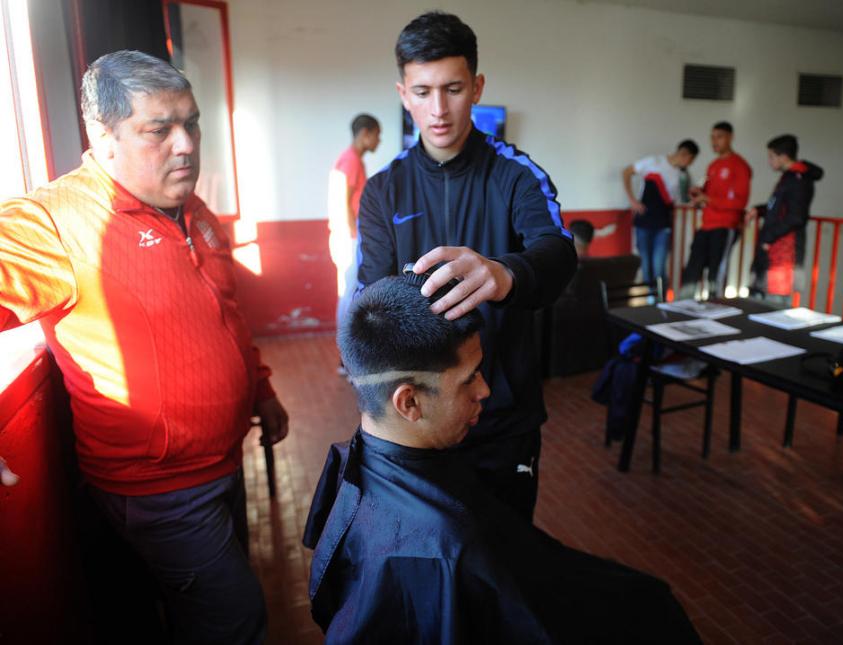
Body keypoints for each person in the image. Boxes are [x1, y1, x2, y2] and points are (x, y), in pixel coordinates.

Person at [0, 50, 288, 643]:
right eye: (158, 129)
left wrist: (261, 390)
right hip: (159, 489)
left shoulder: (195, 211)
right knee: (236, 618)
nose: (185, 144)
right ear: (104, 139)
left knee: (205, 613)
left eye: (192, 123)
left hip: (223, 461)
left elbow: (226, 317)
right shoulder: (56, 222)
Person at [303, 275, 701, 644]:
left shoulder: (351, 457)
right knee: (653, 609)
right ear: (409, 401)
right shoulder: (438, 549)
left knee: (644, 596)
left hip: (546, 580)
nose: (486, 390)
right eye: (469, 379)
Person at [356, 11, 576, 521]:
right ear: (403, 92)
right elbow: (371, 298)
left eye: (453, 89)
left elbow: (558, 253)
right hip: (419, 424)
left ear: (476, 87)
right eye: (423, 91)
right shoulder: (382, 190)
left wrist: (506, 274)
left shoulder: (517, 175)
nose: (438, 109)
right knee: (433, 567)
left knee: (506, 561)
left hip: (502, 416)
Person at [746, 134, 824, 305]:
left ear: (783, 156)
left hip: (783, 253)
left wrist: (768, 237)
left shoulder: (799, 180)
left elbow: (796, 217)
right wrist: (758, 210)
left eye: (771, 156)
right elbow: (777, 207)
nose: (769, 161)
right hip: (773, 249)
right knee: (759, 301)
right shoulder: (789, 177)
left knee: (774, 306)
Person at [680, 121, 752, 299]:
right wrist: (699, 195)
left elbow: (739, 202)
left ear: (730, 137)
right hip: (706, 225)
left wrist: (708, 199)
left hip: (725, 226)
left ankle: (715, 313)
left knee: (715, 275)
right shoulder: (713, 165)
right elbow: (708, 195)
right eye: (712, 137)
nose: (715, 141)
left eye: (719, 137)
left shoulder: (740, 166)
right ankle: (682, 312)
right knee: (692, 271)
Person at [622, 139, 698, 301]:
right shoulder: (654, 162)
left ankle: (659, 301)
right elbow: (627, 172)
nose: (689, 164)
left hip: (663, 223)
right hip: (643, 221)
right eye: (690, 160)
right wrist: (632, 200)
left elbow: (683, 199)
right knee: (646, 265)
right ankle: (649, 300)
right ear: (685, 155)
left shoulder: (682, 175)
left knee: (659, 266)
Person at [328, 113, 380, 333]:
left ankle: (345, 352)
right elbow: (343, 202)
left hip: (344, 235)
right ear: (365, 134)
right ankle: (346, 354)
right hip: (348, 237)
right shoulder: (351, 160)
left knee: (348, 293)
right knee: (349, 294)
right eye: (377, 135)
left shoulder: (349, 158)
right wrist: (354, 236)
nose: (379, 141)